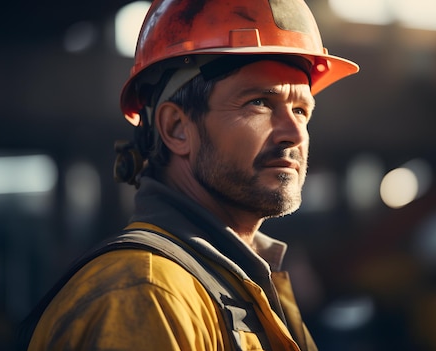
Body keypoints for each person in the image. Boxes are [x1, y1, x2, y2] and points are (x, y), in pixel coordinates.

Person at [23, 0, 358, 350]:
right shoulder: (146, 294)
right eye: (259, 103)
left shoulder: (246, 283)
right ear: (177, 128)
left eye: (301, 110)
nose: (295, 133)